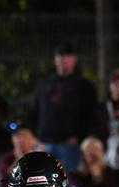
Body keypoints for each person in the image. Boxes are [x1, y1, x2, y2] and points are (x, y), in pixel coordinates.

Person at [31, 43, 98, 171]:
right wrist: (35, 136)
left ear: (74, 59)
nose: (63, 59)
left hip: (68, 145)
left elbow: (89, 114)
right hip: (44, 143)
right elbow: (35, 110)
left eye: (67, 56)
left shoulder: (84, 86)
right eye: (60, 56)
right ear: (55, 59)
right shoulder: (44, 84)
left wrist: (79, 136)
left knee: (67, 184)